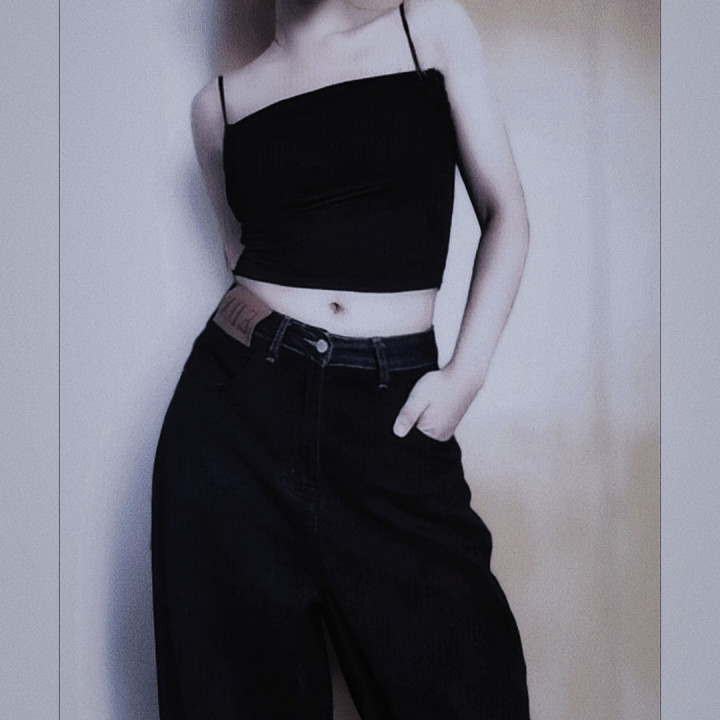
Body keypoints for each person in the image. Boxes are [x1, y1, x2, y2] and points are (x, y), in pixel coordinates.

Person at [151, 0, 531, 717]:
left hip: (390, 412)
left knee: (470, 686)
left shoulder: (426, 29)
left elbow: (506, 213)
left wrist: (465, 376)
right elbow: (239, 257)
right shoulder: (216, 109)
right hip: (235, 423)